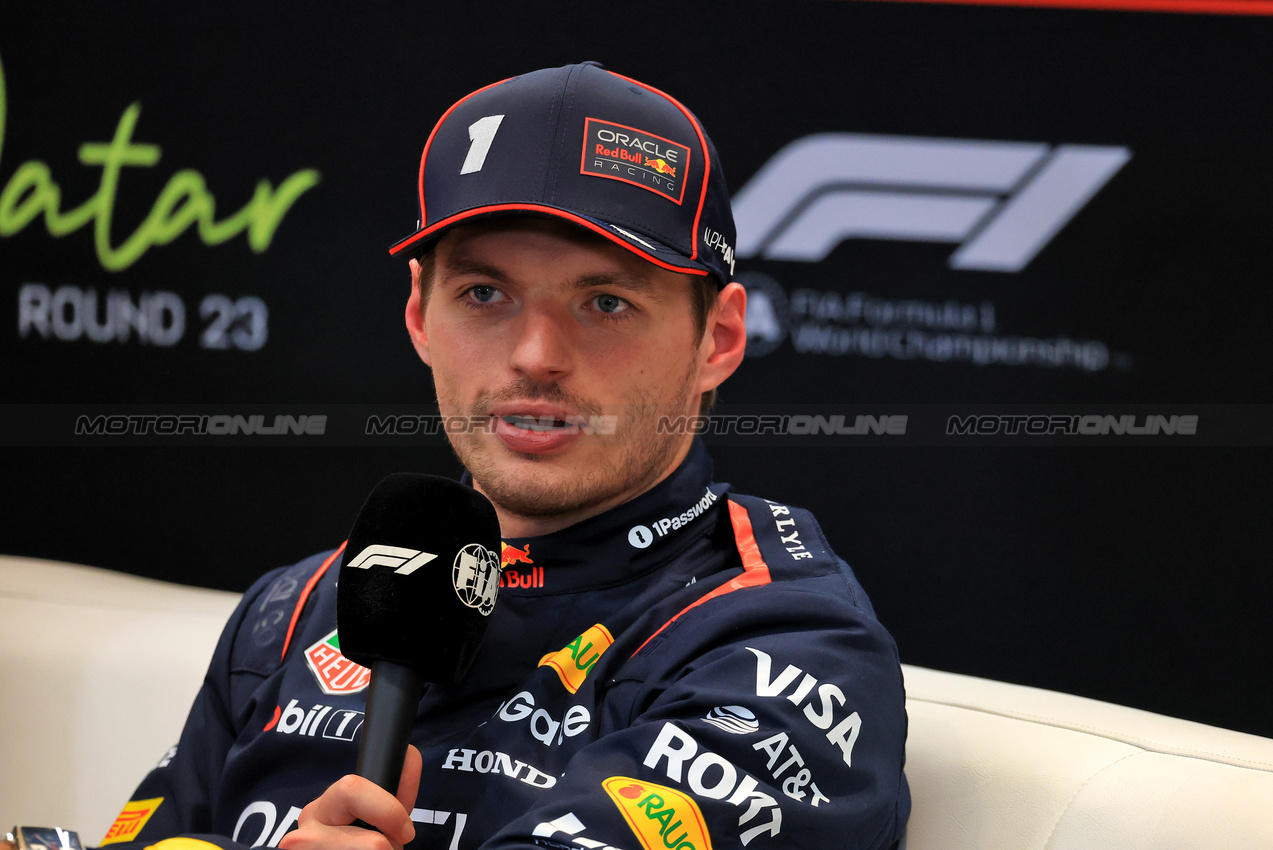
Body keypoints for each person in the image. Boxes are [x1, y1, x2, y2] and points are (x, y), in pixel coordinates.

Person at [98, 62, 910, 850]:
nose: (534, 356)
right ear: (419, 314)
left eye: (605, 302)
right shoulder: (295, 608)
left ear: (718, 340)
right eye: (484, 294)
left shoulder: (782, 650)